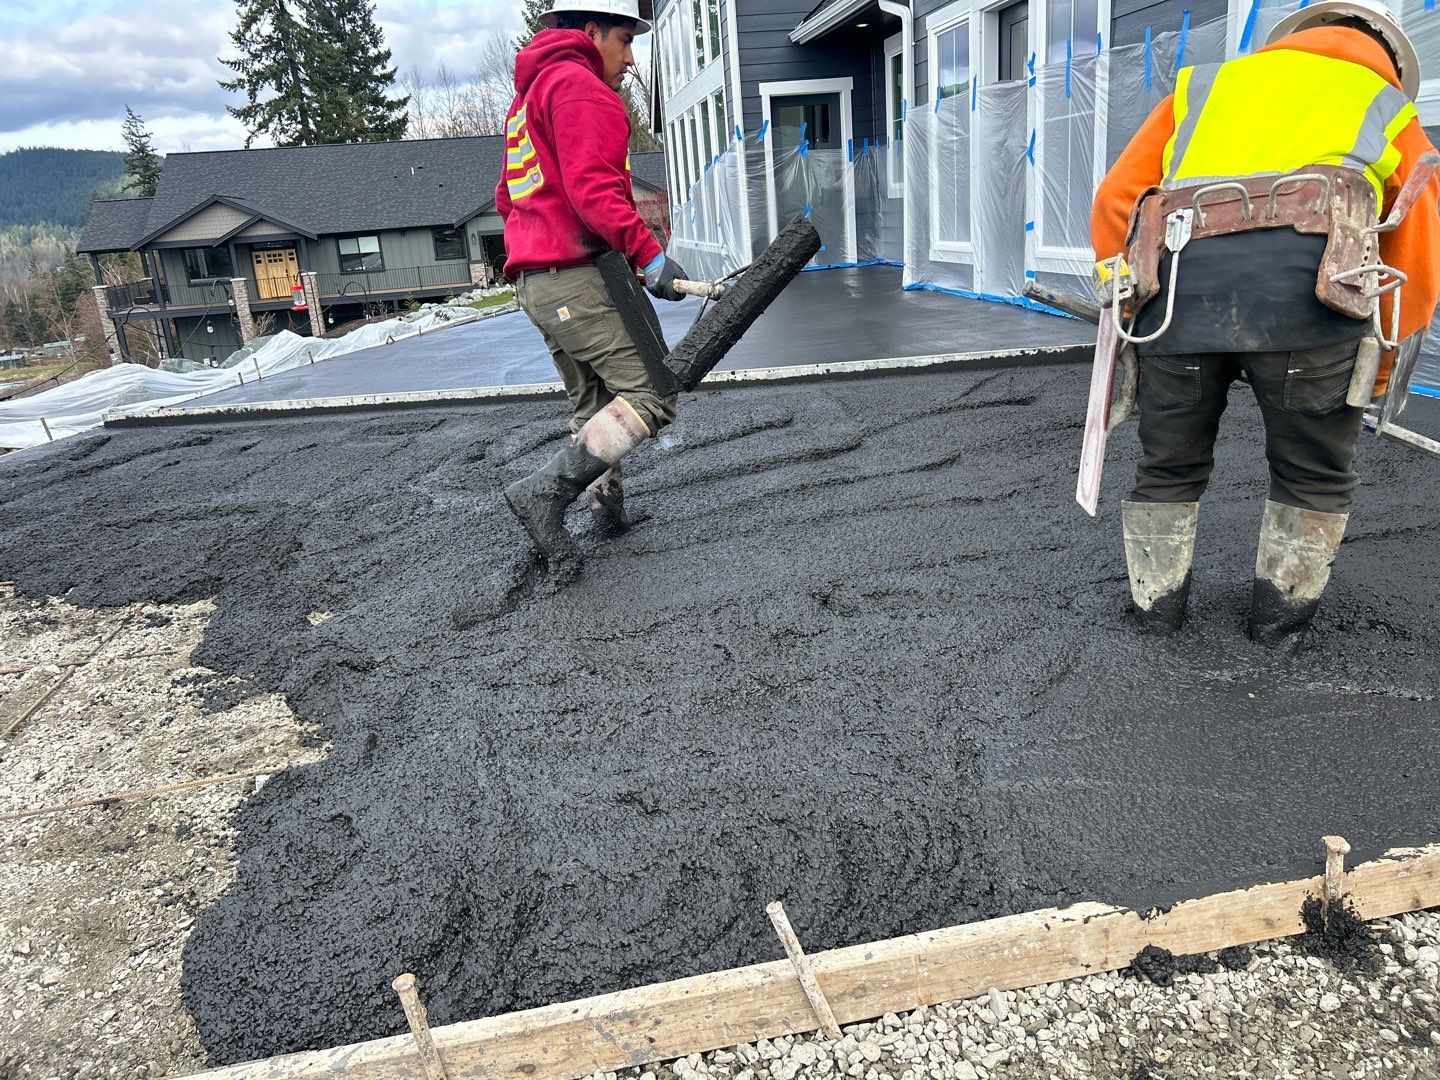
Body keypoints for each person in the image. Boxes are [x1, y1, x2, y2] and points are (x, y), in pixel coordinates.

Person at [1090, 0, 1440, 650]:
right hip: (1313, 304)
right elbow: (1416, 248)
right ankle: (1273, 639)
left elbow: (1117, 200)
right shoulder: (1385, 104)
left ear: (1292, 40)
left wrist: (1137, 302)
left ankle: (1154, 623)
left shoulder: (1207, 87)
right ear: (1389, 59)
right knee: (1312, 475)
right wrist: (1381, 364)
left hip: (1181, 298)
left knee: (1168, 467)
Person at [496, 0, 690, 574]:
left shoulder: (528, 97)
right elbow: (595, 191)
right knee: (652, 394)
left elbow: (506, 199)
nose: (630, 58)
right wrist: (649, 254)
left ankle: (607, 514)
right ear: (590, 31)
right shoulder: (580, 89)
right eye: (624, 41)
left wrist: (540, 241)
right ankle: (543, 495)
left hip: (537, 282)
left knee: (595, 403)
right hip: (574, 280)